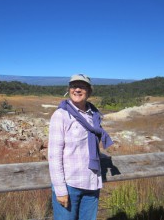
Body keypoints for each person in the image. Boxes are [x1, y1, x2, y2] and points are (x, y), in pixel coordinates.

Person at [48, 74, 114, 220]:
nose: (77, 89)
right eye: (74, 86)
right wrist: (60, 190)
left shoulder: (94, 115)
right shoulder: (61, 115)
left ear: (89, 91)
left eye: (82, 86)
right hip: (70, 185)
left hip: (92, 183)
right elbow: (54, 155)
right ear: (68, 89)